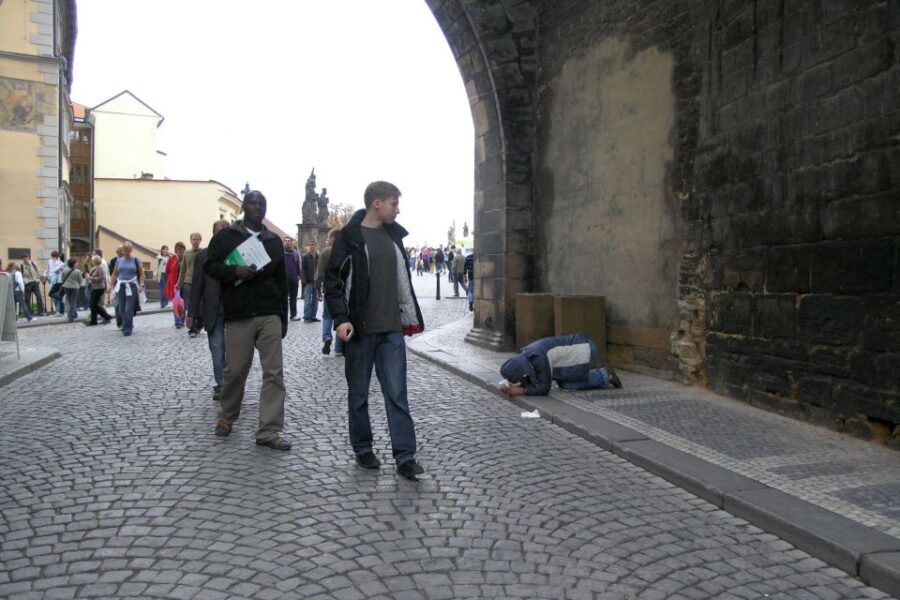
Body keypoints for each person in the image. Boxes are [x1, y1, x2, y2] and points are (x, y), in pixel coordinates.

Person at [324, 180, 426, 479]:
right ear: (376, 203)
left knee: (397, 394)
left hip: (391, 330)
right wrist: (341, 318)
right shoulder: (349, 237)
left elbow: (401, 281)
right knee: (358, 395)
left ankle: (405, 456)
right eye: (394, 203)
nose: (398, 209)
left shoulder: (394, 235)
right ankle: (363, 448)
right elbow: (333, 282)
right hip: (361, 331)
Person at [205, 190, 291, 451]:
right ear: (244, 207)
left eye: (261, 204)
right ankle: (227, 415)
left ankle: (269, 429)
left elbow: (281, 282)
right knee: (235, 370)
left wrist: (283, 316)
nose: (256, 207)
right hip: (239, 313)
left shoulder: (273, 241)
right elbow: (210, 266)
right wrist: (235, 272)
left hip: (268, 313)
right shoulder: (225, 237)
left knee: (273, 373)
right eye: (252, 203)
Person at [499, 333, 623, 397]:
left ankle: (605, 374)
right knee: (565, 384)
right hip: (580, 344)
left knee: (570, 385)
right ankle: (600, 373)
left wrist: (520, 390)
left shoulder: (540, 359)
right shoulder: (527, 353)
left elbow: (543, 388)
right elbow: (530, 375)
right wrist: (515, 384)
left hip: (583, 348)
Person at [189, 220, 230, 400]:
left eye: (225, 231)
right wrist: (191, 313)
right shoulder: (203, 256)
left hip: (235, 309)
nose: (222, 234)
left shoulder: (237, 254)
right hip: (213, 309)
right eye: (219, 231)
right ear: (213, 233)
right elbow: (197, 286)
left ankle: (233, 383)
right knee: (217, 349)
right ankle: (221, 385)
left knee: (236, 351)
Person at [315, 228, 343, 356]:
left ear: (333, 238)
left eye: (328, 237)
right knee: (340, 316)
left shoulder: (325, 252)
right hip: (342, 289)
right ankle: (338, 348)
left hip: (329, 288)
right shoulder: (345, 252)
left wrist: (318, 289)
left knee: (327, 316)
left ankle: (327, 337)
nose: (327, 240)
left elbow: (319, 273)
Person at [109, 242, 145, 336]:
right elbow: (115, 274)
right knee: (121, 308)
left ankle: (127, 328)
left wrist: (141, 284)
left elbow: (141, 273)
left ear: (131, 250)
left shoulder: (135, 260)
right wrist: (110, 285)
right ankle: (127, 324)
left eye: (128, 250)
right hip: (121, 285)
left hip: (131, 285)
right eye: (124, 250)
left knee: (128, 308)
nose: (126, 252)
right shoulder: (119, 261)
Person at [179, 232, 203, 337]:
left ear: (200, 240)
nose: (195, 241)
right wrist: (179, 283)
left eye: (198, 239)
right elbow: (183, 270)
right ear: (190, 240)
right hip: (188, 283)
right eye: (194, 239)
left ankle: (199, 324)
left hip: (200, 283)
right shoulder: (186, 253)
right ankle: (192, 328)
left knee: (200, 306)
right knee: (190, 306)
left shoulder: (203, 252)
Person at [85, 255, 113, 326]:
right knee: (93, 305)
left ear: (95, 261)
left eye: (92, 260)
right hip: (94, 287)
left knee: (93, 304)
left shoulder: (100, 268)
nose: (92, 261)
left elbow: (101, 278)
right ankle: (94, 320)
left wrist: (91, 278)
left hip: (99, 288)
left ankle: (106, 316)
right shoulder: (95, 267)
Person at [164, 242, 186, 328]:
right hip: (175, 284)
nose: (180, 251)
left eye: (182, 249)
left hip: (184, 284)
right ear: (176, 250)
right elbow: (167, 271)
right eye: (178, 249)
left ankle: (182, 319)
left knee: (183, 303)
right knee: (176, 303)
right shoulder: (172, 259)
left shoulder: (185, 258)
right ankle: (178, 321)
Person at [301, 239, 319, 322]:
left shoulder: (319, 256)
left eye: (313, 244)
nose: (311, 246)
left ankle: (313, 316)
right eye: (310, 245)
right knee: (307, 300)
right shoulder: (305, 256)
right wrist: (305, 280)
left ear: (315, 246)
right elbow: (303, 270)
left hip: (317, 282)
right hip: (309, 282)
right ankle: (307, 316)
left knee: (315, 300)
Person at [284, 237, 302, 321]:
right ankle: (283, 315)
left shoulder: (295, 253)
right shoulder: (281, 253)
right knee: (283, 297)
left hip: (294, 278)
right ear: (283, 242)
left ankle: (293, 315)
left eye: (289, 241)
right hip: (283, 278)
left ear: (291, 243)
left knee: (293, 298)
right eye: (286, 241)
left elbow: (298, 265)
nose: (287, 242)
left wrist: (298, 275)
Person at [43, 250, 65, 315]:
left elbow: (60, 271)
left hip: (58, 280)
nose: (53, 258)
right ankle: (57, 310)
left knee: (56, 294)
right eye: (52, 256)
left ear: (57, 256)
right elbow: (47, 269)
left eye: (54, 256)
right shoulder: (49, 261)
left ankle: (59, 311)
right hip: (51, 280)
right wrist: (44, 275)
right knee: (53, 295)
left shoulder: (60, 263)